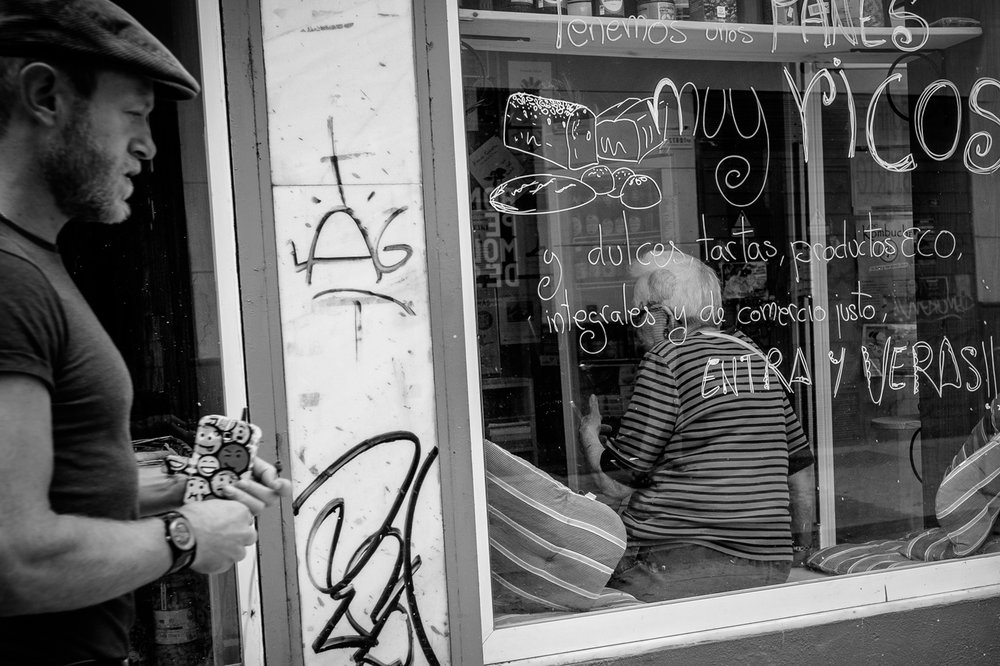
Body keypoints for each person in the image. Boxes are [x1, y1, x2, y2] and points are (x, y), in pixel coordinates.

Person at [0, 2, 291, 664]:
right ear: (45, 95)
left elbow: (57, 491)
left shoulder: (35, 263)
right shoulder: (9, 281)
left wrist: (180, 490)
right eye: (134, 113)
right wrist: (185, 535)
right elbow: (13, 555)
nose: (149, 146)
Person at [578, 250, 816, 602]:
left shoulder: (665, 360)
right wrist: (798, 545)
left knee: (577, 575)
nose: (635, 323)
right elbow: (799, 475)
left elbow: (614, 483)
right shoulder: (755, 358)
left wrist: (589, 434)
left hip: (678, 566)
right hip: (768, 566)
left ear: (668, 317)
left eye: (640, 312)